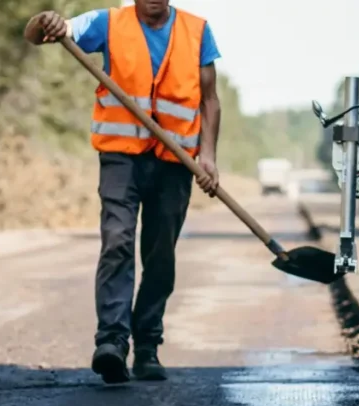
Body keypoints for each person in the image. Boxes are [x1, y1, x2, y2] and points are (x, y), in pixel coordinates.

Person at [24, 0, 222, 384]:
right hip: (121, 157)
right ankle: (112, 342)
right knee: (117, 239)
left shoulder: (197, 31)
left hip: (176, 160)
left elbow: (209, 99)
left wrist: (209, 157)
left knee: (160, 253)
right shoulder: (108, 23)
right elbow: (41, 34)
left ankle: (147, 346)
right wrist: (42, 21)